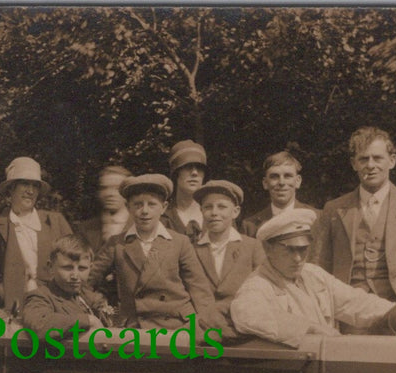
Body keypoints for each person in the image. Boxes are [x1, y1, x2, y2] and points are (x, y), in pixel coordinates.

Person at [230, 209, 396, 348]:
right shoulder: (257, 285)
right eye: (289, 250)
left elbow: (355, 302)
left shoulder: (313, 274)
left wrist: (394, 313)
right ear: (268, 249)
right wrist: (310, 329)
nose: (298, 259)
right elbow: (248, 315)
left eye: (303, 249)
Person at [310, 127, 396, 303]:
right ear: (354, 164)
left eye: (377, 158)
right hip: (349, 310)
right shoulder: (334, 209)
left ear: (392, 161)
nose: (370, 165)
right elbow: (318, 267)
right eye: (363, 159)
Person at [89, 174, 224, 331]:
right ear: (128, 207)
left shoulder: (179, 242)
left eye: (152, 204)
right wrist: (99, 304)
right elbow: (86, 279)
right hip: (135, 328)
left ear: (164, 207)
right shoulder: (117, 244)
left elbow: (199, 289)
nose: (144, 211)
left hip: (178, 326)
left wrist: (204, 326)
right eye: (138, 205)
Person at [0, 156, 74, 314]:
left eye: (35, 185)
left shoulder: (55, 221)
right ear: (11, 189)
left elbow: (76, 264)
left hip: (56, 306)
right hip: (13, 306)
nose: (30, 191)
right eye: (25, 184)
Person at [193, 180, 265, 322]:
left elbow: (262, 291)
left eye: (222, 207)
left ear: (235, 212)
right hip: (201, 325)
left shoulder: (253, 247)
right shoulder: (191, 250)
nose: (214, 213)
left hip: (243, 322)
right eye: (208, 207)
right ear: (201, 211)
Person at [22, 234, 109, 336]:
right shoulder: (40, 296)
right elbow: (39, 324)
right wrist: (88, 320)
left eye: (82, 268)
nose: (75, 275)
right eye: (67, 268)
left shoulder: (87, 297)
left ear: (90, 267)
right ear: (50, 267)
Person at [241, 151, 319, 238]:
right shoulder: (250, 226)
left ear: (298, 181)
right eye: (274, 176)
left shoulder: (318, 218)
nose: (281, 182)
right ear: (265, 183)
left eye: (287, 176)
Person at [74, 165, 132, 252]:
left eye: (117, 188)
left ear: (128, 192)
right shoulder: (85, 229)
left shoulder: (142, 225)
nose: (110, 193)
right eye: (104, 188)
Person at [163, 140, 208, 239]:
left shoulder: (217, 214)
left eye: (200, 168)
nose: (195, 173)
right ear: (176, 173)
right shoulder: (162, 216)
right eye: (188, 167)